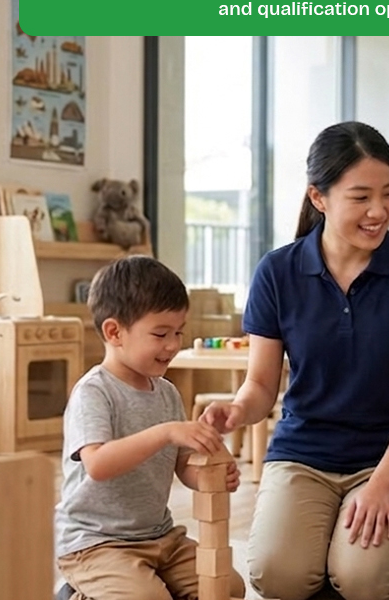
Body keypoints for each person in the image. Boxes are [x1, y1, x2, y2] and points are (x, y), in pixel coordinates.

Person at [200, 121, 389, 600]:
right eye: (360, 197)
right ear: (319, 198)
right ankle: (342, 551)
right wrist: (236, 411)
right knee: (279, 576)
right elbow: (260, 385)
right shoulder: (277, 271)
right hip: (304, 455)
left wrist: (381, 485)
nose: (379, 211)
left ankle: (382, 558)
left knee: (362, 581)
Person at [55, 256, 246, 600]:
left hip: (161, 538)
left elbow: (183, 466)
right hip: (96, 543)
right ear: (114, 332)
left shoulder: (167, 392)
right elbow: (98, 464)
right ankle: (78, 593)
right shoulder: (94, 392)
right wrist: (166, 432)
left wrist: (210, 475)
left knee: (228, 587)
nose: (173, 345)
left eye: (178, 333)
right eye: (160, 334)